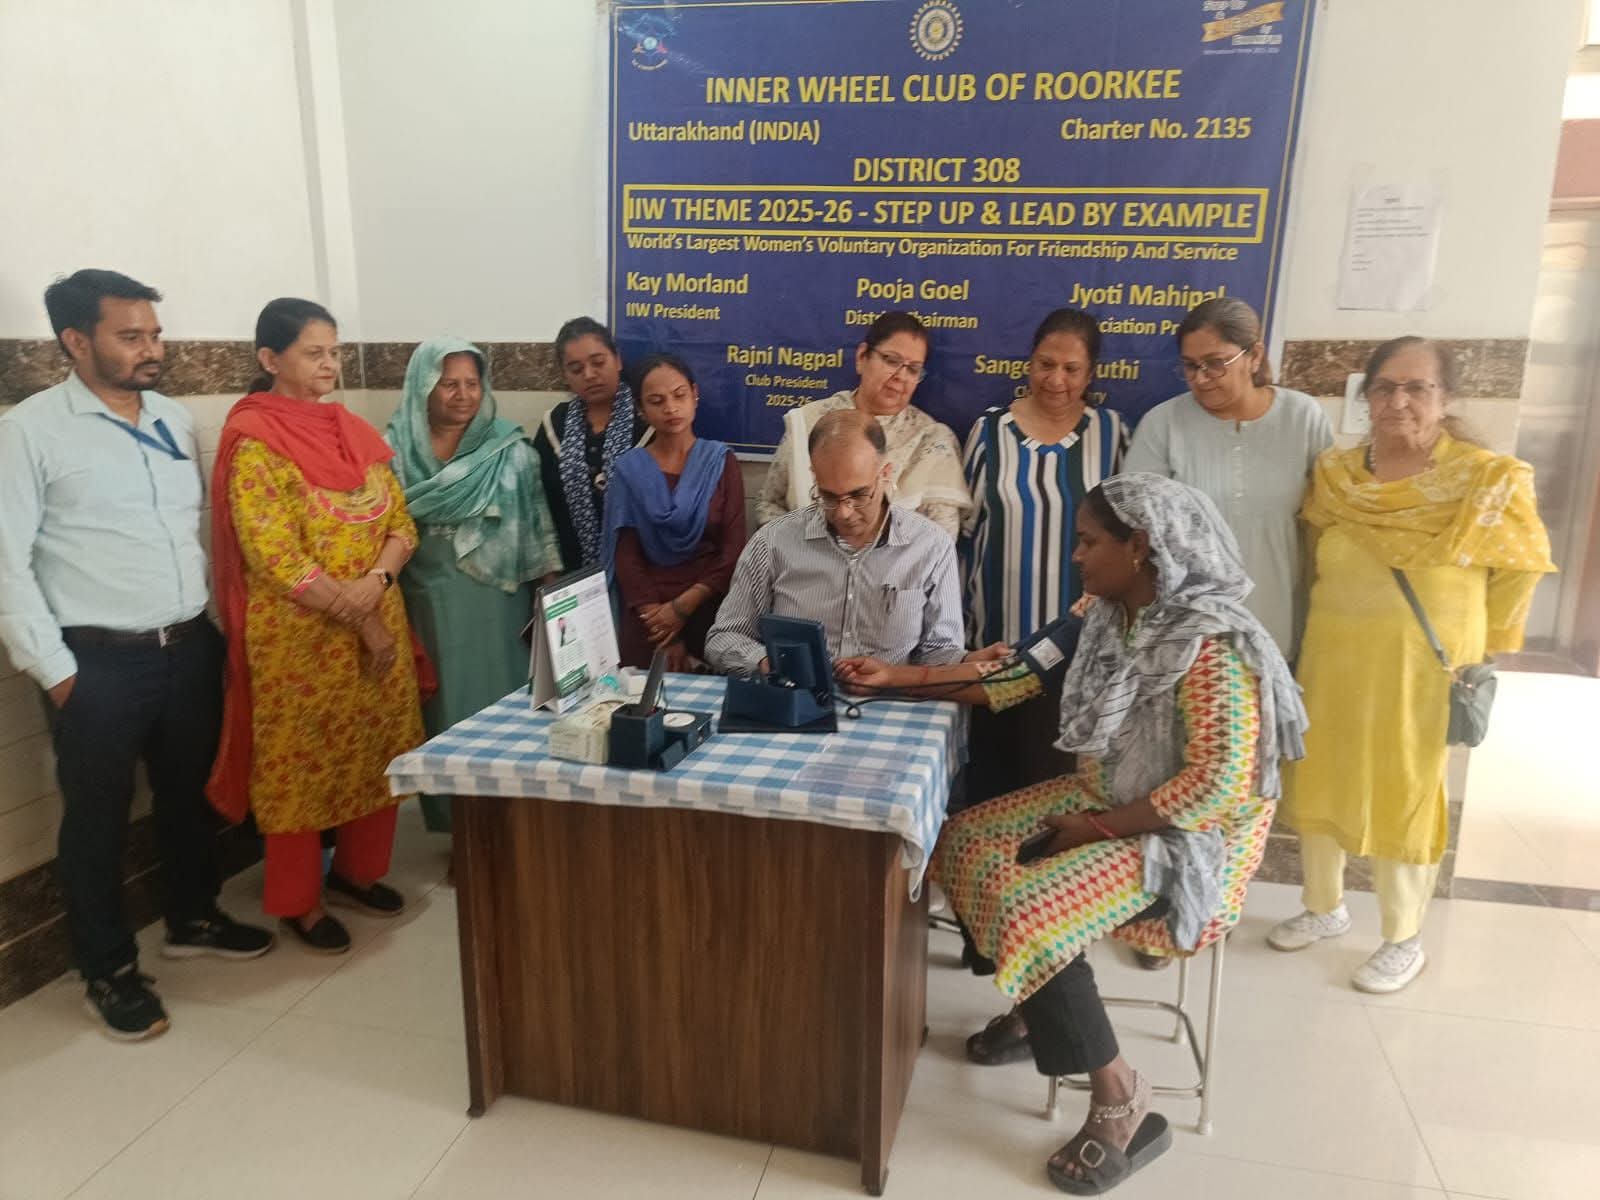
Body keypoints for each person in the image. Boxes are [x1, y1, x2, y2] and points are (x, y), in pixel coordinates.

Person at [931, 475, 1307, 1193]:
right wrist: (893, 679)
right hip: (1110, 800)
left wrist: (1093, 828)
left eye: (1087, 542)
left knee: (1029, 906)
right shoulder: (1108, 615)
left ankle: (1120, 1097)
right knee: (966, 841)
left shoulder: (1210, 643)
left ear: (1139, 546)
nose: (1076, 556)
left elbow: (1218, 787)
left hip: (1188, 841)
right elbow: (1016, 680)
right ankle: (1039, 1006)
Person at [0, 270, 273, 1041]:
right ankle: (108, 969)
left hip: (186, 646)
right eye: (130, 336)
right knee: (96, 820)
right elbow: (6, 563)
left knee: (186, 796)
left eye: (154, 333)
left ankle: (192, 918)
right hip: (96, 664)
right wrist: (58, 674)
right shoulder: (30, 432)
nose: (152, 348)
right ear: (76, 341)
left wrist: (213, 635)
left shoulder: (172, 418)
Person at [1270, 337, 1555, 993]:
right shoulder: (1336, 475)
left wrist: (1483, 649)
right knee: (1320, 771)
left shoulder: (1486, 479)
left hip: (1424, 666)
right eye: (1385, 387)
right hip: (1333, 655)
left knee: (1406, 787)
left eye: (1417, 388)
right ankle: (1324, 906)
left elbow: (1519, 569)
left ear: (1445, 398)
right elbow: (1310, 557)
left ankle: (1403, 937)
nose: (1399, 401)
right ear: (1366, 397)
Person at [209, 298, 425, 956]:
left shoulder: (352, 431)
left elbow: (401, 525)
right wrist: (364, 619)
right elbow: (275, 557)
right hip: (300, 641)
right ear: (270, 359)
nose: (329, 364)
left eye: (334, 351)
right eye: (313, 352)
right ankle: (299, 903)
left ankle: (359, 873)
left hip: (373, 619)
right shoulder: (254, 441)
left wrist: (375, 588)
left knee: (377, 750)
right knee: (299, 769)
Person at [385, 338, 561, 833]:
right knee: (444, 709)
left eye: (471, 383)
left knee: (504, 708)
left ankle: (509, 822)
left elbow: (539, 529)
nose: (463, 394)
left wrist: (552, 599)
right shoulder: (392, 453)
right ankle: (457, 829)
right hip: (427, 600)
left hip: (499, 603)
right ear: (423, 386)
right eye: (448, 384)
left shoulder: (511, 451)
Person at [960, 308, 1127, 804]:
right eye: (1045, 364)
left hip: (1079, 655)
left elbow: (1127, 538)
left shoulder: (1111, 433)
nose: (1056, 379)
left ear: (1091, 374)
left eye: (1072, 369)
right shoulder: (990, 431)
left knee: (1055, 795)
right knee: (989, 792)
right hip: (996, 650)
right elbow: (963, 537)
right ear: (1029, 363)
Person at [1126, 297, 1332, 657]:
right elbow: (1135, 528)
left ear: (1254, 356)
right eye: (1190, 366)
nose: (1200, 378)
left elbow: (1328, 523)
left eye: (1215, 364)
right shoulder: (1164, 425)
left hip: (1278, 623)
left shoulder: (1302, 418)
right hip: (1188, 635)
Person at [706, 409, 968, 675]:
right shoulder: (773, 542)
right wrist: (767, 663)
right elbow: (725, 637)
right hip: (795, 695)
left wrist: (968, 663)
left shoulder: (931, 547)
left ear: (885, 473)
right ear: (814, 476)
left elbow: (940, 652)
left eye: (859, 495)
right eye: (828, 496)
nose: (844, 512)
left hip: (891, 696)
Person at [756, 311, 970, 538]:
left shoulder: (932, 441)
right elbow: (769, 504)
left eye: (913, 369)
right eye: (891, 360)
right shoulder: (808, 422)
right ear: (862, 357)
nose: (901, 376)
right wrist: (800, 550)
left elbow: (941, 539)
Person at [601, 353, 747, 671]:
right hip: (647, 615)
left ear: (695, 394)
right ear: (641, 409)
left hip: (710, 607)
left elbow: (733, 550)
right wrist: (658, 621)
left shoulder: (721, 462)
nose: (670, 408)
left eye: (679, 395)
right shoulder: (629, 470)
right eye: (656, 401)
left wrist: (681, 608)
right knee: (641, 697)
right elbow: (626, 557)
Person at [533, 317, 652, 571]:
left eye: (598, 363)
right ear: (564, 375)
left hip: (638, 574)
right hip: (568, 576)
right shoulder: (554, 425)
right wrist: (547, 572)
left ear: (617, 360)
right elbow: (538, 507)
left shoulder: (648, 423)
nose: (589, 375)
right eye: (576, 369)